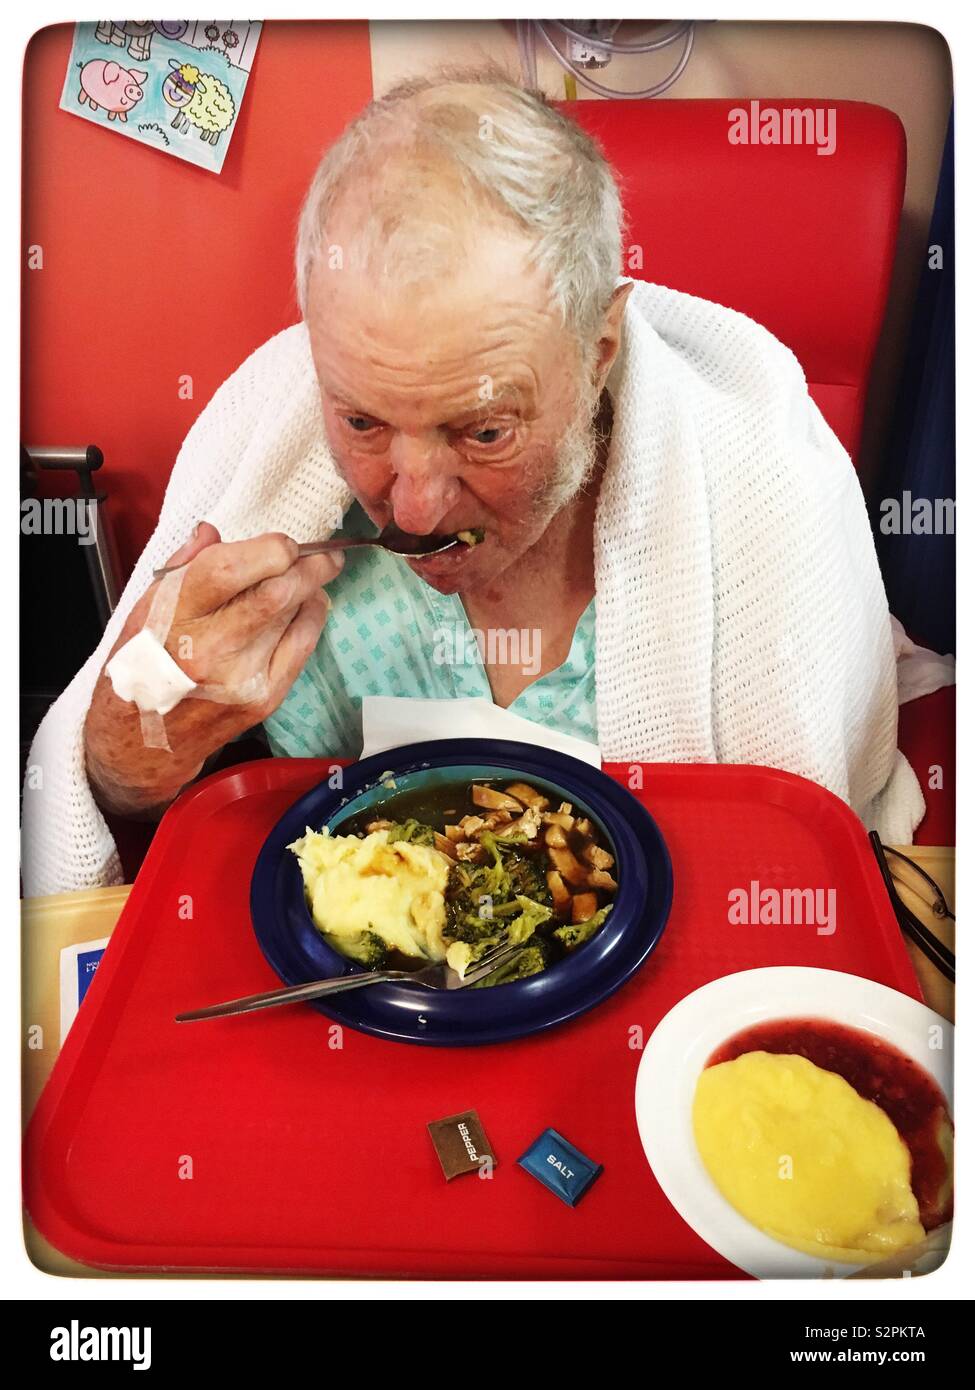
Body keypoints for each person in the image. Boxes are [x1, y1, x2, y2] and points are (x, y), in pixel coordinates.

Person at [23, 68, 923, 896]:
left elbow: (795, 865)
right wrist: (127, 752)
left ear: (598, 351)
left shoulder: (763, 500)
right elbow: (144, 818)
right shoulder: (269, 465)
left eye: (486, 430)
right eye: (363, 421)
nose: (411, 507)